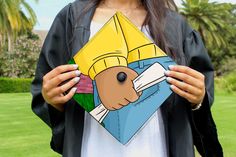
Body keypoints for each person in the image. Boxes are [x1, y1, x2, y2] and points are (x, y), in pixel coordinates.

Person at [31, 0, 223, 156]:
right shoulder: (72, 18)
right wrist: (52, 98)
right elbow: (47, 92)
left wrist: (198, 99)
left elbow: (199, 100)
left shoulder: (174, 25)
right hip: (93, 149)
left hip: (156, 149)